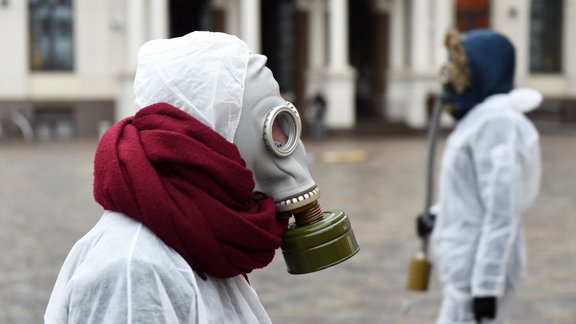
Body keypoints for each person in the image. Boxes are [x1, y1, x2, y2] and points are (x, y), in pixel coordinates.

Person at [45, 31, 326, 323]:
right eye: (273, 125)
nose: (287, 143)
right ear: (213, 134)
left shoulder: (206, 240)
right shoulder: (134, 269)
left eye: (287, 122)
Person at [419, 28, 542, 323]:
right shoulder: (482, 120)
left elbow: (502, 211)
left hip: (474, 274)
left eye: (460, 69)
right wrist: (438, 216)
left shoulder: (497, 123)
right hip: (463, 274)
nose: (452, 79)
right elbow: (471, 194)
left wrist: (486, 286)